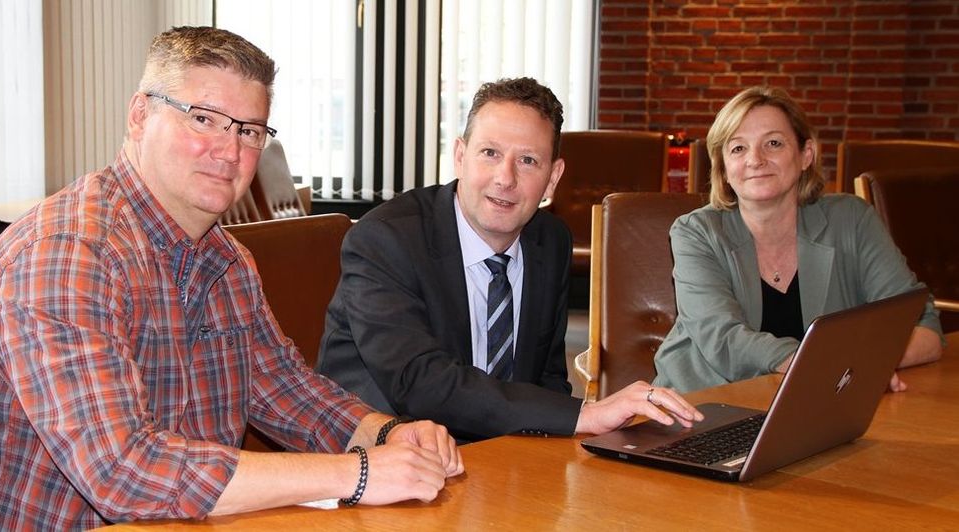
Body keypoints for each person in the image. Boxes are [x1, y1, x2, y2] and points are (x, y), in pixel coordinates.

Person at [0, 26, 462, 530]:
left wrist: (384, 432)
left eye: (249, 130)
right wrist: (360, 473)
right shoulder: (68, 253)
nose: (229, 150)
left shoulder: (229, 260)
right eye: (204, 119)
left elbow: (283, 388)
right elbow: (123, 475)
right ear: (139, 116)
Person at [317, 77, 702, 443]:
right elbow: (421, 383)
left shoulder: (549, 242)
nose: (505, 178)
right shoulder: (385, 240)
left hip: (499, 460)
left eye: (529, 161)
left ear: (553, 178)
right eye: (490, 153)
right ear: (460, 156)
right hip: (383, 457)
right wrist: (583, 415)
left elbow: (547, 378)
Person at [653, 86, 943, 393]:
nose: (755, 159)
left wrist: (859, 366)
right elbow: (722, 337)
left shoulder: (852, 219)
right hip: (701, 408)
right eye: (738, 148)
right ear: (723, 169)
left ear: (806, 154)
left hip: (817, 408)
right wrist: (829, 366)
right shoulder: (696, 232)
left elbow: (921, 325)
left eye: (773, 143)